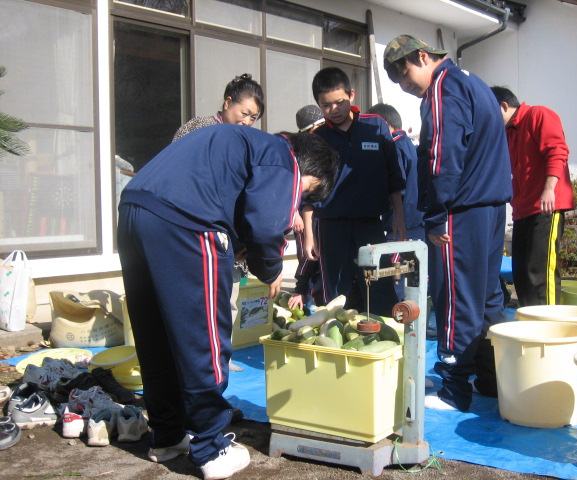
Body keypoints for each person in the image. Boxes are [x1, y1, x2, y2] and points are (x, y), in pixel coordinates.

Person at [117, 125, 338, 480]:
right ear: (309, 169)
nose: (298, 201)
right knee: (203, 338)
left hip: (134, 211)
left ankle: (168, 437)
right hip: (187, 222)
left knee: (156, 336)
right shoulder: (282, 156)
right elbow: (266, 225)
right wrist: (270, 269)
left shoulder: (239, 144)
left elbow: (235, 202)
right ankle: (211, 448)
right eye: (306, 192)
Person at [383, 34, 512, 412]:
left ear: (423, 56)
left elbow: (443, 153)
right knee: (487, 296)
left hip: (461, 208)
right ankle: (491, 379)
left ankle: (454, 388)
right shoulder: (475, 83)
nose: (404, 86)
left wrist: (436, 213)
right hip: (491, 205)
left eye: (405, 75)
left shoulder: (443, 87)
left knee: (456, 296)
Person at [173, 73, 265, 374]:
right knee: (196, 299)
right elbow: (178, 172)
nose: (247, 122)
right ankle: (193, 361)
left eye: (253, 118)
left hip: (229, 235)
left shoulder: (246, 142)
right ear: (227, 103)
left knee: (228, 299)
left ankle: (221, 356)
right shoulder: (198, 128)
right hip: (194, 226)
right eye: (244, 113)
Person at [305, 67, 406, 316]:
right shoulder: (318, 137)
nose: (334, 109)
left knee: (379, 285)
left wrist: (399, 218)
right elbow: (308, 191)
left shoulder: (375, 126)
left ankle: (383, 331)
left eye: (339, 102)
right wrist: (309, 234)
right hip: (331, 227)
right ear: (319, 105)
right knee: (338, 295)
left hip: (370, 224)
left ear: (351, 94)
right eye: (326, 105)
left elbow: (394, 177)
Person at [490, 87, 574, 307]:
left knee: (540, 273)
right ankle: (529, 320)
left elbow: (557, 151)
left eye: (490, 111)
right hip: (522, 210)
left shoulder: (539, 115)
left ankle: (548, 323)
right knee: (522, 273)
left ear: (503, 106)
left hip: (547, 206)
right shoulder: (508, 133)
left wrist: (549, 189)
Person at [367, 103, 424, 301]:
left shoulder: (394, 147)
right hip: (418, 222)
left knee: (395, 281)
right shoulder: (410, 144)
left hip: (401, 226)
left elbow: (397, 186)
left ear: (384, 125)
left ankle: (399, 317)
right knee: (417, 280)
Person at [288, 105, 325, 311]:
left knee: (319, 258)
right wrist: (294, 212)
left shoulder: (326, 147)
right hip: (304, 213)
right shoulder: (298, 152)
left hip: (322, 213)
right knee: (309, 253)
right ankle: (302, 293)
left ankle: (312, 298)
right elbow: (291, 186)